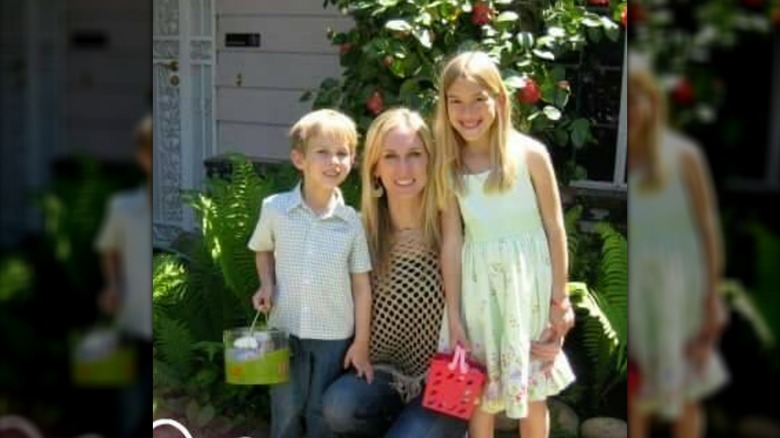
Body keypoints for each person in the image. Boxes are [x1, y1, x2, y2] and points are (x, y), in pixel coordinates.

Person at [433, 50, 576, 438]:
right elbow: (451, 239)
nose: (468, 112)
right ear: (444, 107)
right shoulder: (448, 167)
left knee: (532, 393)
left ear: (500, 99)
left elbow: (554, 227)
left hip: (527, 287)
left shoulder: (530, 155)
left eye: (479, 99)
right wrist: (455, 312)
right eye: (456, 102)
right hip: (478, 292)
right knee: (481, 394)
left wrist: (560, 301)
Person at [322, 107, 467, 437]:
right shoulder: (360, 230)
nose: (404, 168)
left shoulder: (453, 227)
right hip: (383, 371)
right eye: (390, 156)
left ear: (431, 162)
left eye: (415, 154)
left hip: (447, 377)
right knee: (337, 408)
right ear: (374, 167)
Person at [248, 108, 374, 438]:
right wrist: (266, 284)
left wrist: (360, 342)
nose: (334, 161)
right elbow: (262, 248)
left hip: (334, 335)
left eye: (342, 153)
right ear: (299, 159)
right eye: (323, 152)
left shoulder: (352, 222)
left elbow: (361, 285)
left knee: (322, 414)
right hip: (284, 330)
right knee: (286, 409)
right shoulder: (275, 209)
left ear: (352, 161)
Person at [627, 50, 729, 438]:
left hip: (680, 294)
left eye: (639, 99)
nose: (632, 110)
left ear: (653, 101)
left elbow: (707, 228)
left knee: (685, 397)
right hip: (639, 297)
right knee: (638, 397)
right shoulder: (627, 163)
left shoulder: (683, 155)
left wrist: (712, 296)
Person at [94, 113, 153, 438]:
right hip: (130, 322)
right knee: (129, 410)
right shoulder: (123, 208)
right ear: (142, 157)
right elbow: (109, 248)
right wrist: (112, 285)